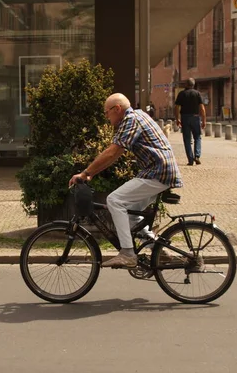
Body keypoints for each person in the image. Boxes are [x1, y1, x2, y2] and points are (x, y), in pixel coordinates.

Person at [68, 93, 184, 269]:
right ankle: (159, 250)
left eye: (107, 113)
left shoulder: (131, 120)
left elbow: (112, 151)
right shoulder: (137, 116)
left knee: (115, 200)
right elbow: (115, 155)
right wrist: (92, 173)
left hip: (158, 172)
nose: (107, 117)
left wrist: (84, 174)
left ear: (117, 109)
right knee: (131, 213)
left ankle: (128, 254)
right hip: (158, 171)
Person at [174, 78, 206, 166]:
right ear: (193, 85)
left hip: (185, 118)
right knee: (197, 137)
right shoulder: (197, 93)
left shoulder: (181, 94)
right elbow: (202, 108)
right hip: (196, 117)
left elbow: (176, 107)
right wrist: (204, 120)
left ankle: (190, 160)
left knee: (187, 139)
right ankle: (197, 156)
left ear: (186, 85)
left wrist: (177, 119)